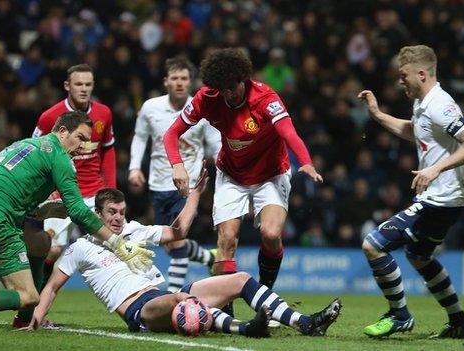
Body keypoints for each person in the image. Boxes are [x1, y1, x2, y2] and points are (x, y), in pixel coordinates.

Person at [25, 173, 342, 337]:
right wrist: (34, 318)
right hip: (140, 312)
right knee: (183, 303)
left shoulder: (134, 230)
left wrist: (194, 196)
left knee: (240, 278)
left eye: (122, 212)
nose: (119, 218)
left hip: (163, 295)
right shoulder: (80, 248)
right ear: (97, 213)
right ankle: (246, 328)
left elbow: (176, 232)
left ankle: (305, 322)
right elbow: (51, 287)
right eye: (111, 213)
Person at [0, 111, 154, 332]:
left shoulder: (26, 144)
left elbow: (9, 183)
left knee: (41, 242)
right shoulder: (60, 157)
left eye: (87, 141)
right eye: (80, 138)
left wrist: (36, 210)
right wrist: (118, 243)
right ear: (62, 131)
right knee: (28, 295)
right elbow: (77, 211)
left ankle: (24, 321)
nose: (84, 147)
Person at [163, 48, 322, 296]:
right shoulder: (207, 98)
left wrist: (306, 161)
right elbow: (171, 133)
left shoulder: (265, 98)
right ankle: (224, 310)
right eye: (222, 88)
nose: (228, 93)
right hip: (232, 174)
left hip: (271, 174)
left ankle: (265, 298)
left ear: (243, 78)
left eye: (232, 86)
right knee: (226, 239)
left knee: (270, 233)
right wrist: (177, 164)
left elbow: (288, 132)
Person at [357, 45, 464, 339]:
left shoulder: (440, 104)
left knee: (373, 245)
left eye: (403, 76)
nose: (399, 81)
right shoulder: (423, 103)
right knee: (419, 255)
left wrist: (436, 169)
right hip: (444, 199)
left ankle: (399, 315)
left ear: (422, 74)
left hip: (440, 199)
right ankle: (460, 323)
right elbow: (415, 131)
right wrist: (377, 115)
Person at [128, 56, 220, 292]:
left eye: (184, 78)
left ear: (190, 82)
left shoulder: (202, 110)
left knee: (176, 239)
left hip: (188, 186)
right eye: (175, 78)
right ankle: (209, 258)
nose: (180, 83)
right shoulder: (150, 107)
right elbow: (140, 138)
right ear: (166, 81)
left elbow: (215, 145)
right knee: (170, 243)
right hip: (158, 185)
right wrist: (134, 167)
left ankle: (173, 296)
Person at [32, 63, 116, 295]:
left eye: (88, 84)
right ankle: (34, 303)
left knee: (114, 242)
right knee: (53, 250)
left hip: (94, 192)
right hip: (61, 193)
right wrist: (44, 188)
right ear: (67, 86)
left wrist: (111, 188)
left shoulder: (104, 113)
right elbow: (36, 151)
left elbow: (108, 150)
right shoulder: (50, 117)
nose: (84, 89)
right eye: (78, 84)